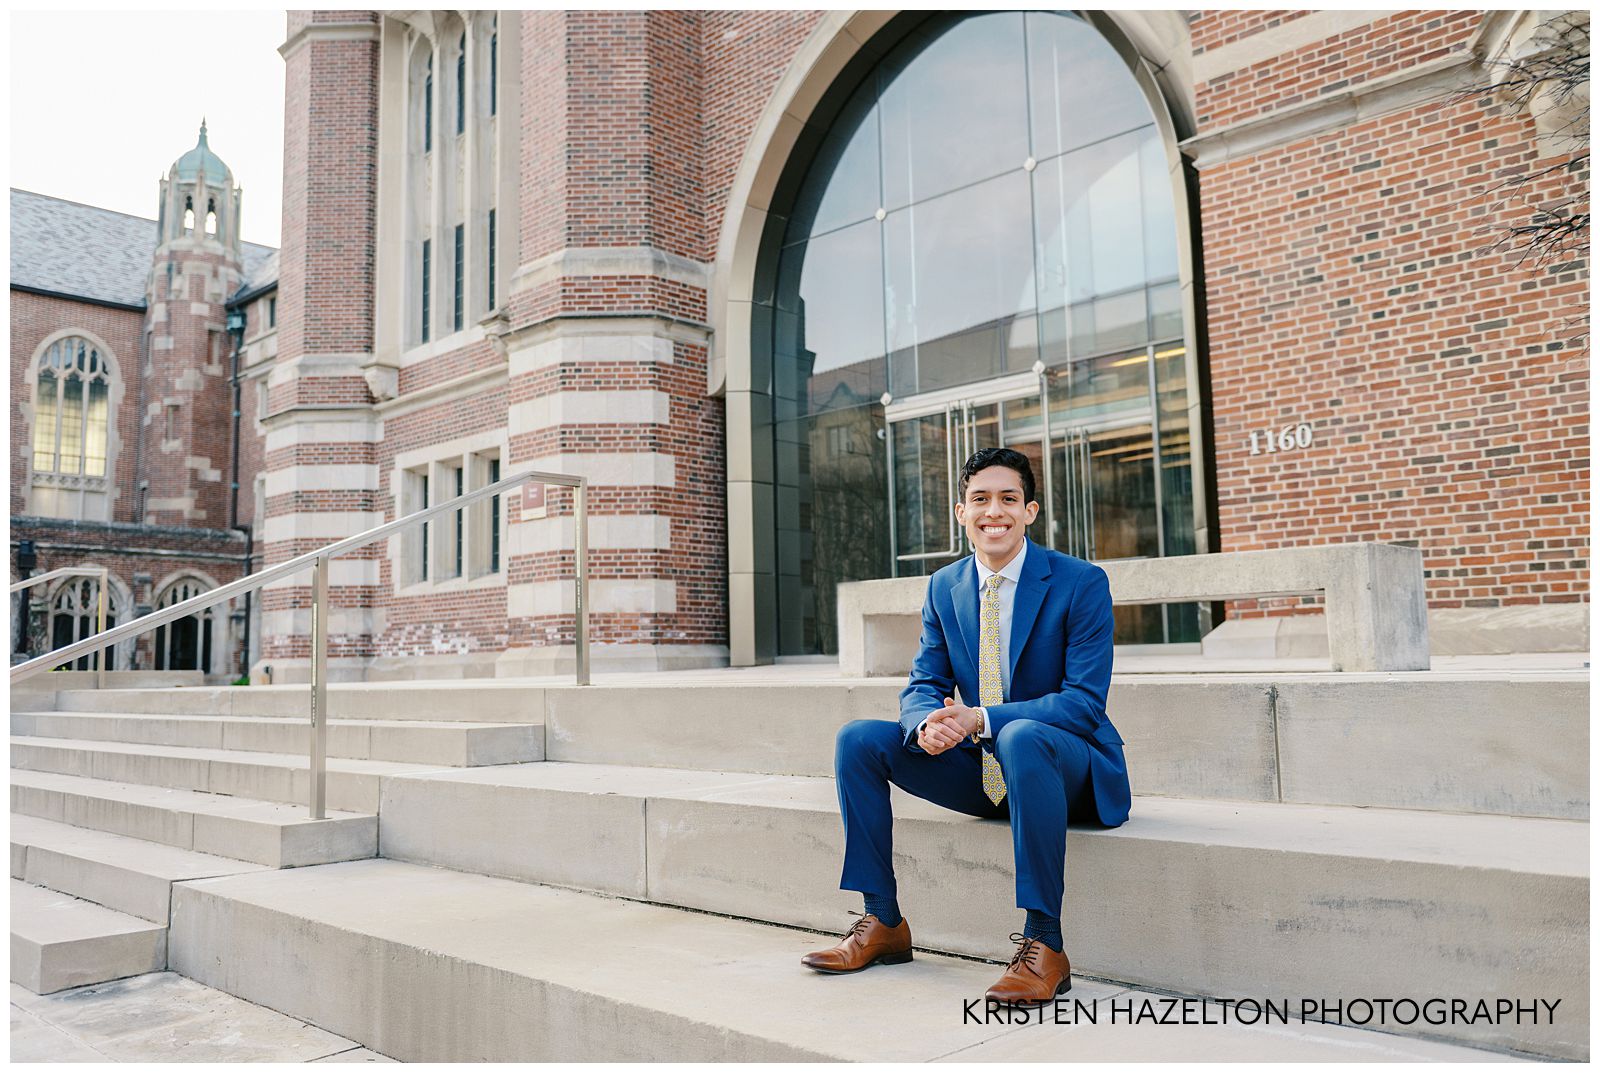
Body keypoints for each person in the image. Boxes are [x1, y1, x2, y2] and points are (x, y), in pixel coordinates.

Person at [801, 446, 1130, 1005]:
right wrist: (927, 723)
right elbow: (923, 681)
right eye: (980, 499)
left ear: (1030, 511)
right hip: (989, 773)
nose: (993, 511)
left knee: (1020, 734)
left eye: (1008, 499)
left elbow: (1083, 704)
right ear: (961, 513)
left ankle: (1044, 944)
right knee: (858, 739)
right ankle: (882, 921)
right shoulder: (944, 587)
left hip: (1071, 770)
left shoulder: (1080, 583)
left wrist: (981, 718)